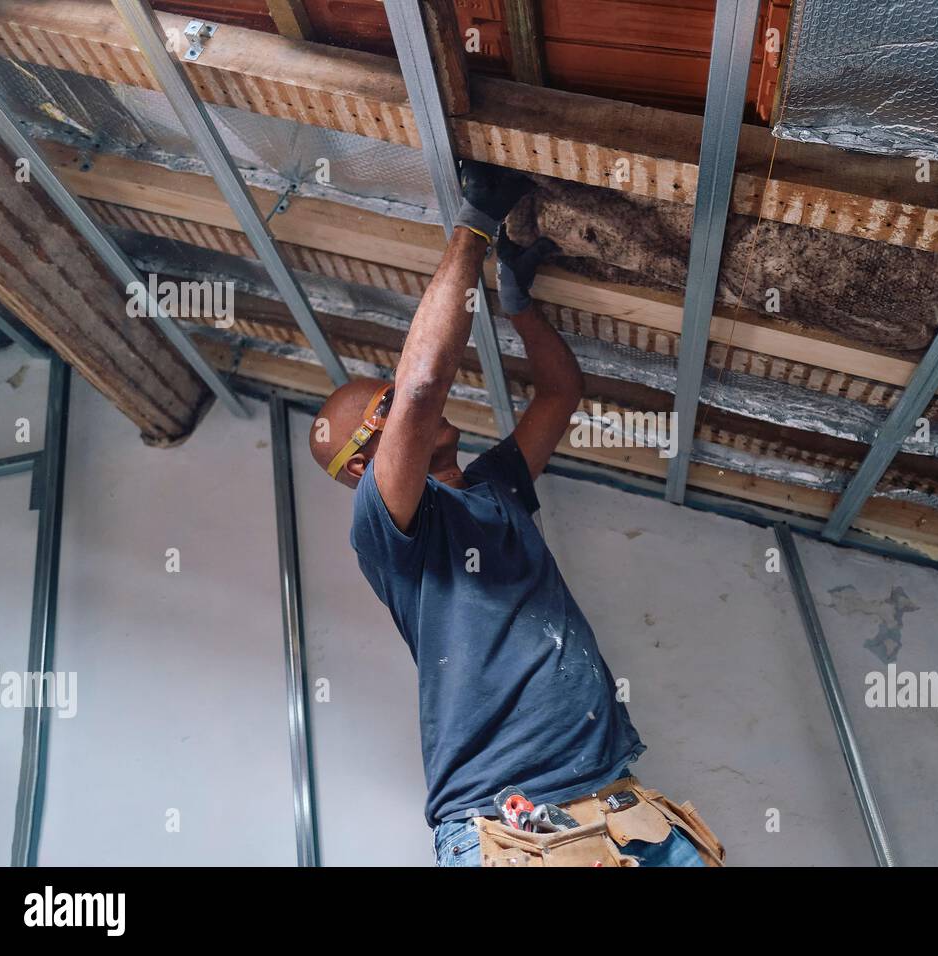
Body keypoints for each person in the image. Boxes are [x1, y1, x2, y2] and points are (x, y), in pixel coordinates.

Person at [308, 162, 723, 867]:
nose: (403, 403)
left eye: (386, 391)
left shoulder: (493, 486)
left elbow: (561, 393)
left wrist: (516, 301)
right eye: (379, 409)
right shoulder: (390, 529)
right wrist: (473, 223)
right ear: (359, 465)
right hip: (507, 826)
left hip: (617, 806)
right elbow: (420, 387)